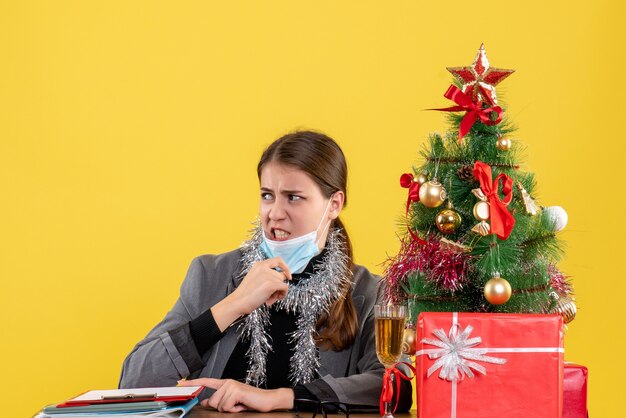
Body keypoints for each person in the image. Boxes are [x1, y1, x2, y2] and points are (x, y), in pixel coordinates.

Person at [118, 130, 412, 412]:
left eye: (293, 197)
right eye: (267, 196)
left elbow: (394, 388)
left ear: (334, 204)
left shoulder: (370, 292)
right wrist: (233, 305)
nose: (274, 213)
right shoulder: (210, 275)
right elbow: (133, 382)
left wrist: (277, 398)